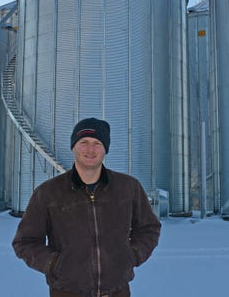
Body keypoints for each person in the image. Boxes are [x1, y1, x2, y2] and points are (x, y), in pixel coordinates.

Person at [13, 117, 161, 297]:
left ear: (105, 149)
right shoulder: (48, 193)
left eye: (97, 143)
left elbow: (149, 228)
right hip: (66, 292)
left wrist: (133, 255)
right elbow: (25, 242)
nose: (90, 149)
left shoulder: (128, 187)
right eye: (84, 142)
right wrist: (55, 263)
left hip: (117, 292)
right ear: (73, 146)